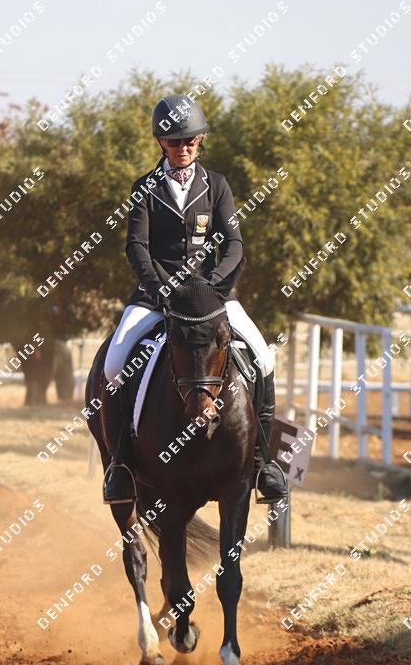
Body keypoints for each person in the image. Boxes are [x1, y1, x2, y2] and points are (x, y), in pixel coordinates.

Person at [101, 93, 288, 505]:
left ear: (200, 140)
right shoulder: (145, 188)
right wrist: (162, 288)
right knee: (114, 366)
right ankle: (121, 464)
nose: (182, 148)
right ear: (161, 143)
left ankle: (263, 464)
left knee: (264, 358)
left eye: (189, 140)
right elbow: (137, 247)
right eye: (173, 141)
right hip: (156, 296)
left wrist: (214, 287)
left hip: (211, 296)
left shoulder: (217, 185)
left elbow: (234, 245)